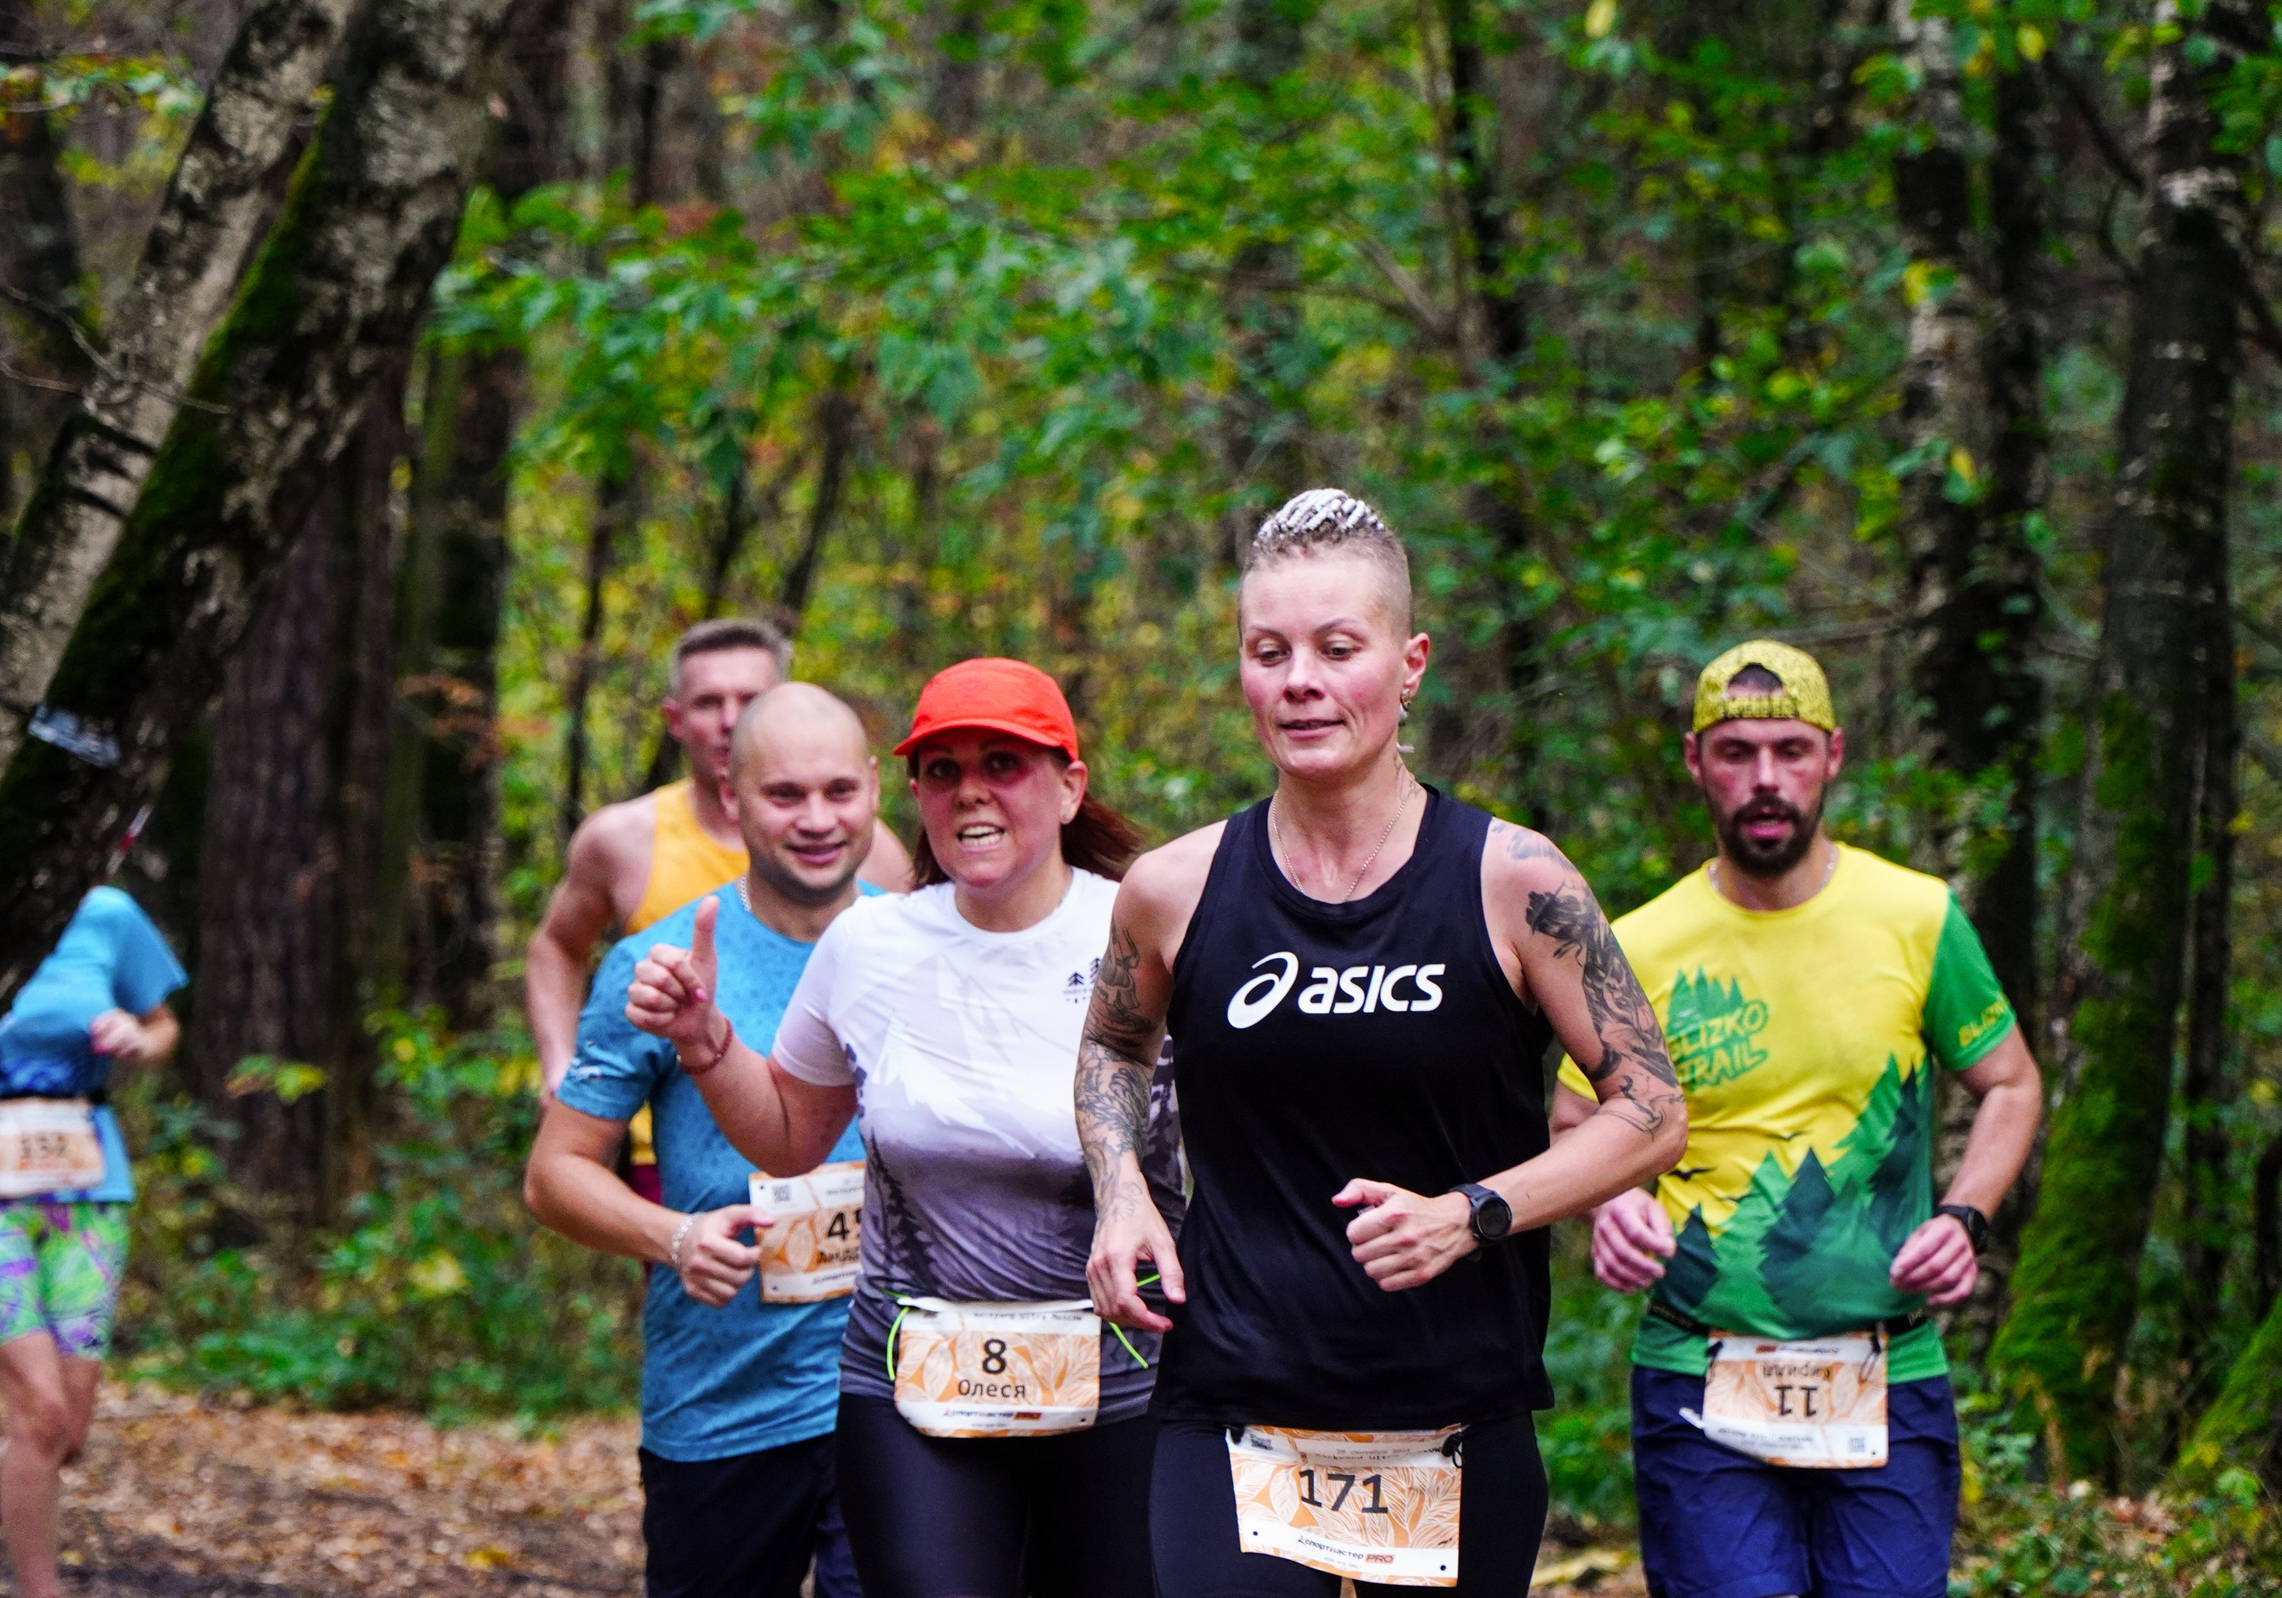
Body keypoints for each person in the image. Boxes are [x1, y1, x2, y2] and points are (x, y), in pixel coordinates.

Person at [1076, 487, 1689, 1598]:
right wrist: (1123, 1193)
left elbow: (1651, 1111)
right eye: (1268, 652)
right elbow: (1116, 1048)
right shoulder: (1173, 888)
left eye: (1337, 647)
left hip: (1453, 1411)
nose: (1299, 680)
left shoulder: (1515, 881)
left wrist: (1473, 1211)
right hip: (1235, 1405)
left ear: (1410, 665)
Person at [626, 657, 1181, 1598]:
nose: (971, 790)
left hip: (1124, 1385)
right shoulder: (869, 942)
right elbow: (790, 1139)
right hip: (916, 1392)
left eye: (1003, 763)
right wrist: (705, 1040)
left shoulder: (1142, 930)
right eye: (942, 769)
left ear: (1069, 785)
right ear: (916, 793)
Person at [1553, 639, 2042, 1598]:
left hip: (1887, 1363)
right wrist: (1611, 1203)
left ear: (1833, 755)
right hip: (1699, 1363)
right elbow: (1576, 1119)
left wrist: (1965, 1216)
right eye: (1736, 752)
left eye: (1791, 750)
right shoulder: (1640, 944)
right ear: (1696, 762)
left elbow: (2012, 1083)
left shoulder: (1918, 917)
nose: (1765, 779)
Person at [525, 683, 889, 1598]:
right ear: (732, 796)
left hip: (898, 1400)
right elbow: (554, 1173)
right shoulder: (658, 967)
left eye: (839, 791)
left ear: (875, 790)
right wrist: (675, 1236)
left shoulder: (926, 946)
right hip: (724, 1402)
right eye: (786, 795)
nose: (818, 820)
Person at [526, 618, 908, 1197]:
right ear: (675, 719)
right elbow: (557, 945)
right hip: (675, 1139)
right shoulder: (625, 843)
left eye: (749, 700)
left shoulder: (872, 854)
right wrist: (560, 1065)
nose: (730, 719)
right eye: (709, 702)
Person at [0, 885, 188, 1598]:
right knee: (41, 1410)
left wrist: (138, 1037)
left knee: (64, 1431)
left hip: (87, 1185)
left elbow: (164, 1027)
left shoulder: (107, 913)